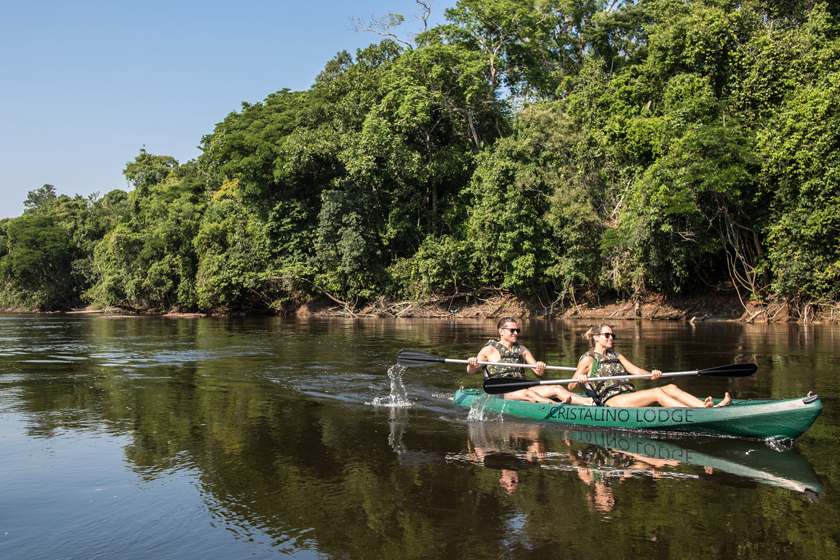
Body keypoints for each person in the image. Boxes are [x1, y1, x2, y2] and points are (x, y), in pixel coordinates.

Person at [571, 323, 731, 408]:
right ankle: (697, 414)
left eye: (612, 335)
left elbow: (637, 371)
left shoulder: (616, 355)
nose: (611, 338)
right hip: (613, 400)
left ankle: (707, 407)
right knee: (657, 393)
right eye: (607, 335)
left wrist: (652, 374)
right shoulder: (589, 359)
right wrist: (581, 379)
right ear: (596, 337)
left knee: (671, 388)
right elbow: (571, 386)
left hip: (628, 395)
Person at [467, 317, 594, 405]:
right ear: (501, 331)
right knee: (528, 394)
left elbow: (539, 373)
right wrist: (472, 364)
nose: (516, 333)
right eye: (512, 330)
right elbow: (471, 372)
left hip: (522, 386)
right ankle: (557, 406)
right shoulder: (488, 350)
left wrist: (540, 366)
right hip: (500, 391)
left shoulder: (522, 350)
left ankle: (588, 403)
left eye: (517, 330)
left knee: (557, 388)